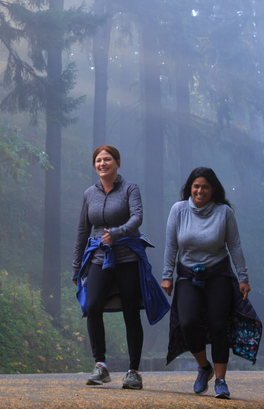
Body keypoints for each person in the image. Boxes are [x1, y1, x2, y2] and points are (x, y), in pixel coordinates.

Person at [72, 145, 168, 390]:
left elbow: (137, 218)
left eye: (107, 160)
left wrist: (115, 234)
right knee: (92, 306)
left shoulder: (130, 189)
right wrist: (76, 269)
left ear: (117, 162)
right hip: (98, 260)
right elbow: (83, 231)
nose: (102, 164)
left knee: (130, 312)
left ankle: (133, 371)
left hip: (127, 258)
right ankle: (100, 365)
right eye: (98, 160)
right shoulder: (89, 194)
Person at [161, 167, 260, 401]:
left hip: (219, 274)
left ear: (213, 189)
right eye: (196, 186)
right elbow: (171, 246)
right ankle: (204, 367)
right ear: (190, 188)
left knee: (219, 326)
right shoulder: (178, 210)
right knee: (187, 322)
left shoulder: (224, 212)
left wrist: (243, 278)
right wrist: (167, 276)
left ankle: (221, 381)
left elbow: (234, 246)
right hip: (187, 275)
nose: (200, 190)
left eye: (205, 186)